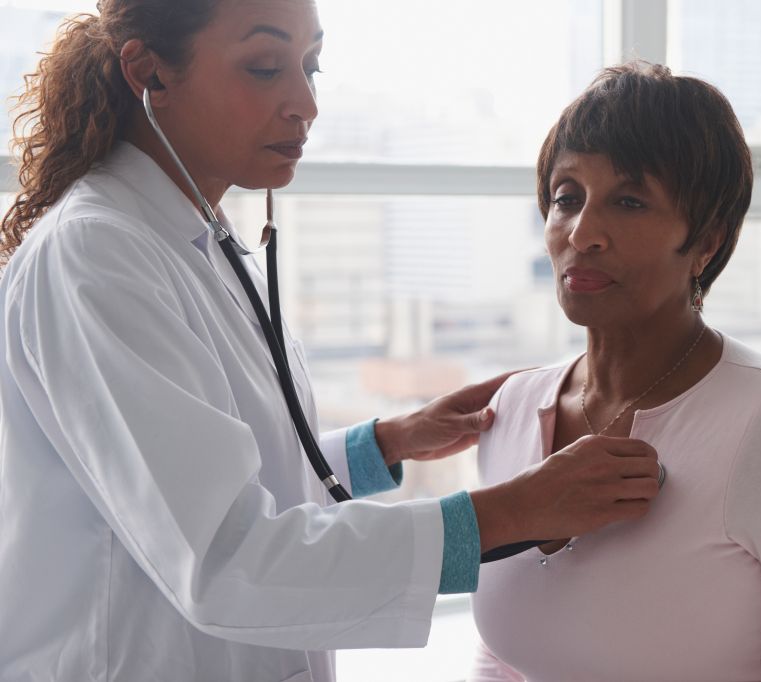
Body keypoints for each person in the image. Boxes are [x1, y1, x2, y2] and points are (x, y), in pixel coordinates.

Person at [0, 2, 664, 680]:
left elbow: (220, 468)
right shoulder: (97, 256)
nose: (305, 104)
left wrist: (384, 446)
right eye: (264, 67)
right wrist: (514, 510)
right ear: (149, 73)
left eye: (310, 66)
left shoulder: (198, 243)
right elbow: (224, 557)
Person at [469, 62, 761, 682]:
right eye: (567, 197)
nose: (583, 232)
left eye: (629, 200)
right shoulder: (509, 408)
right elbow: (504, 657)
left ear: (706, 241)